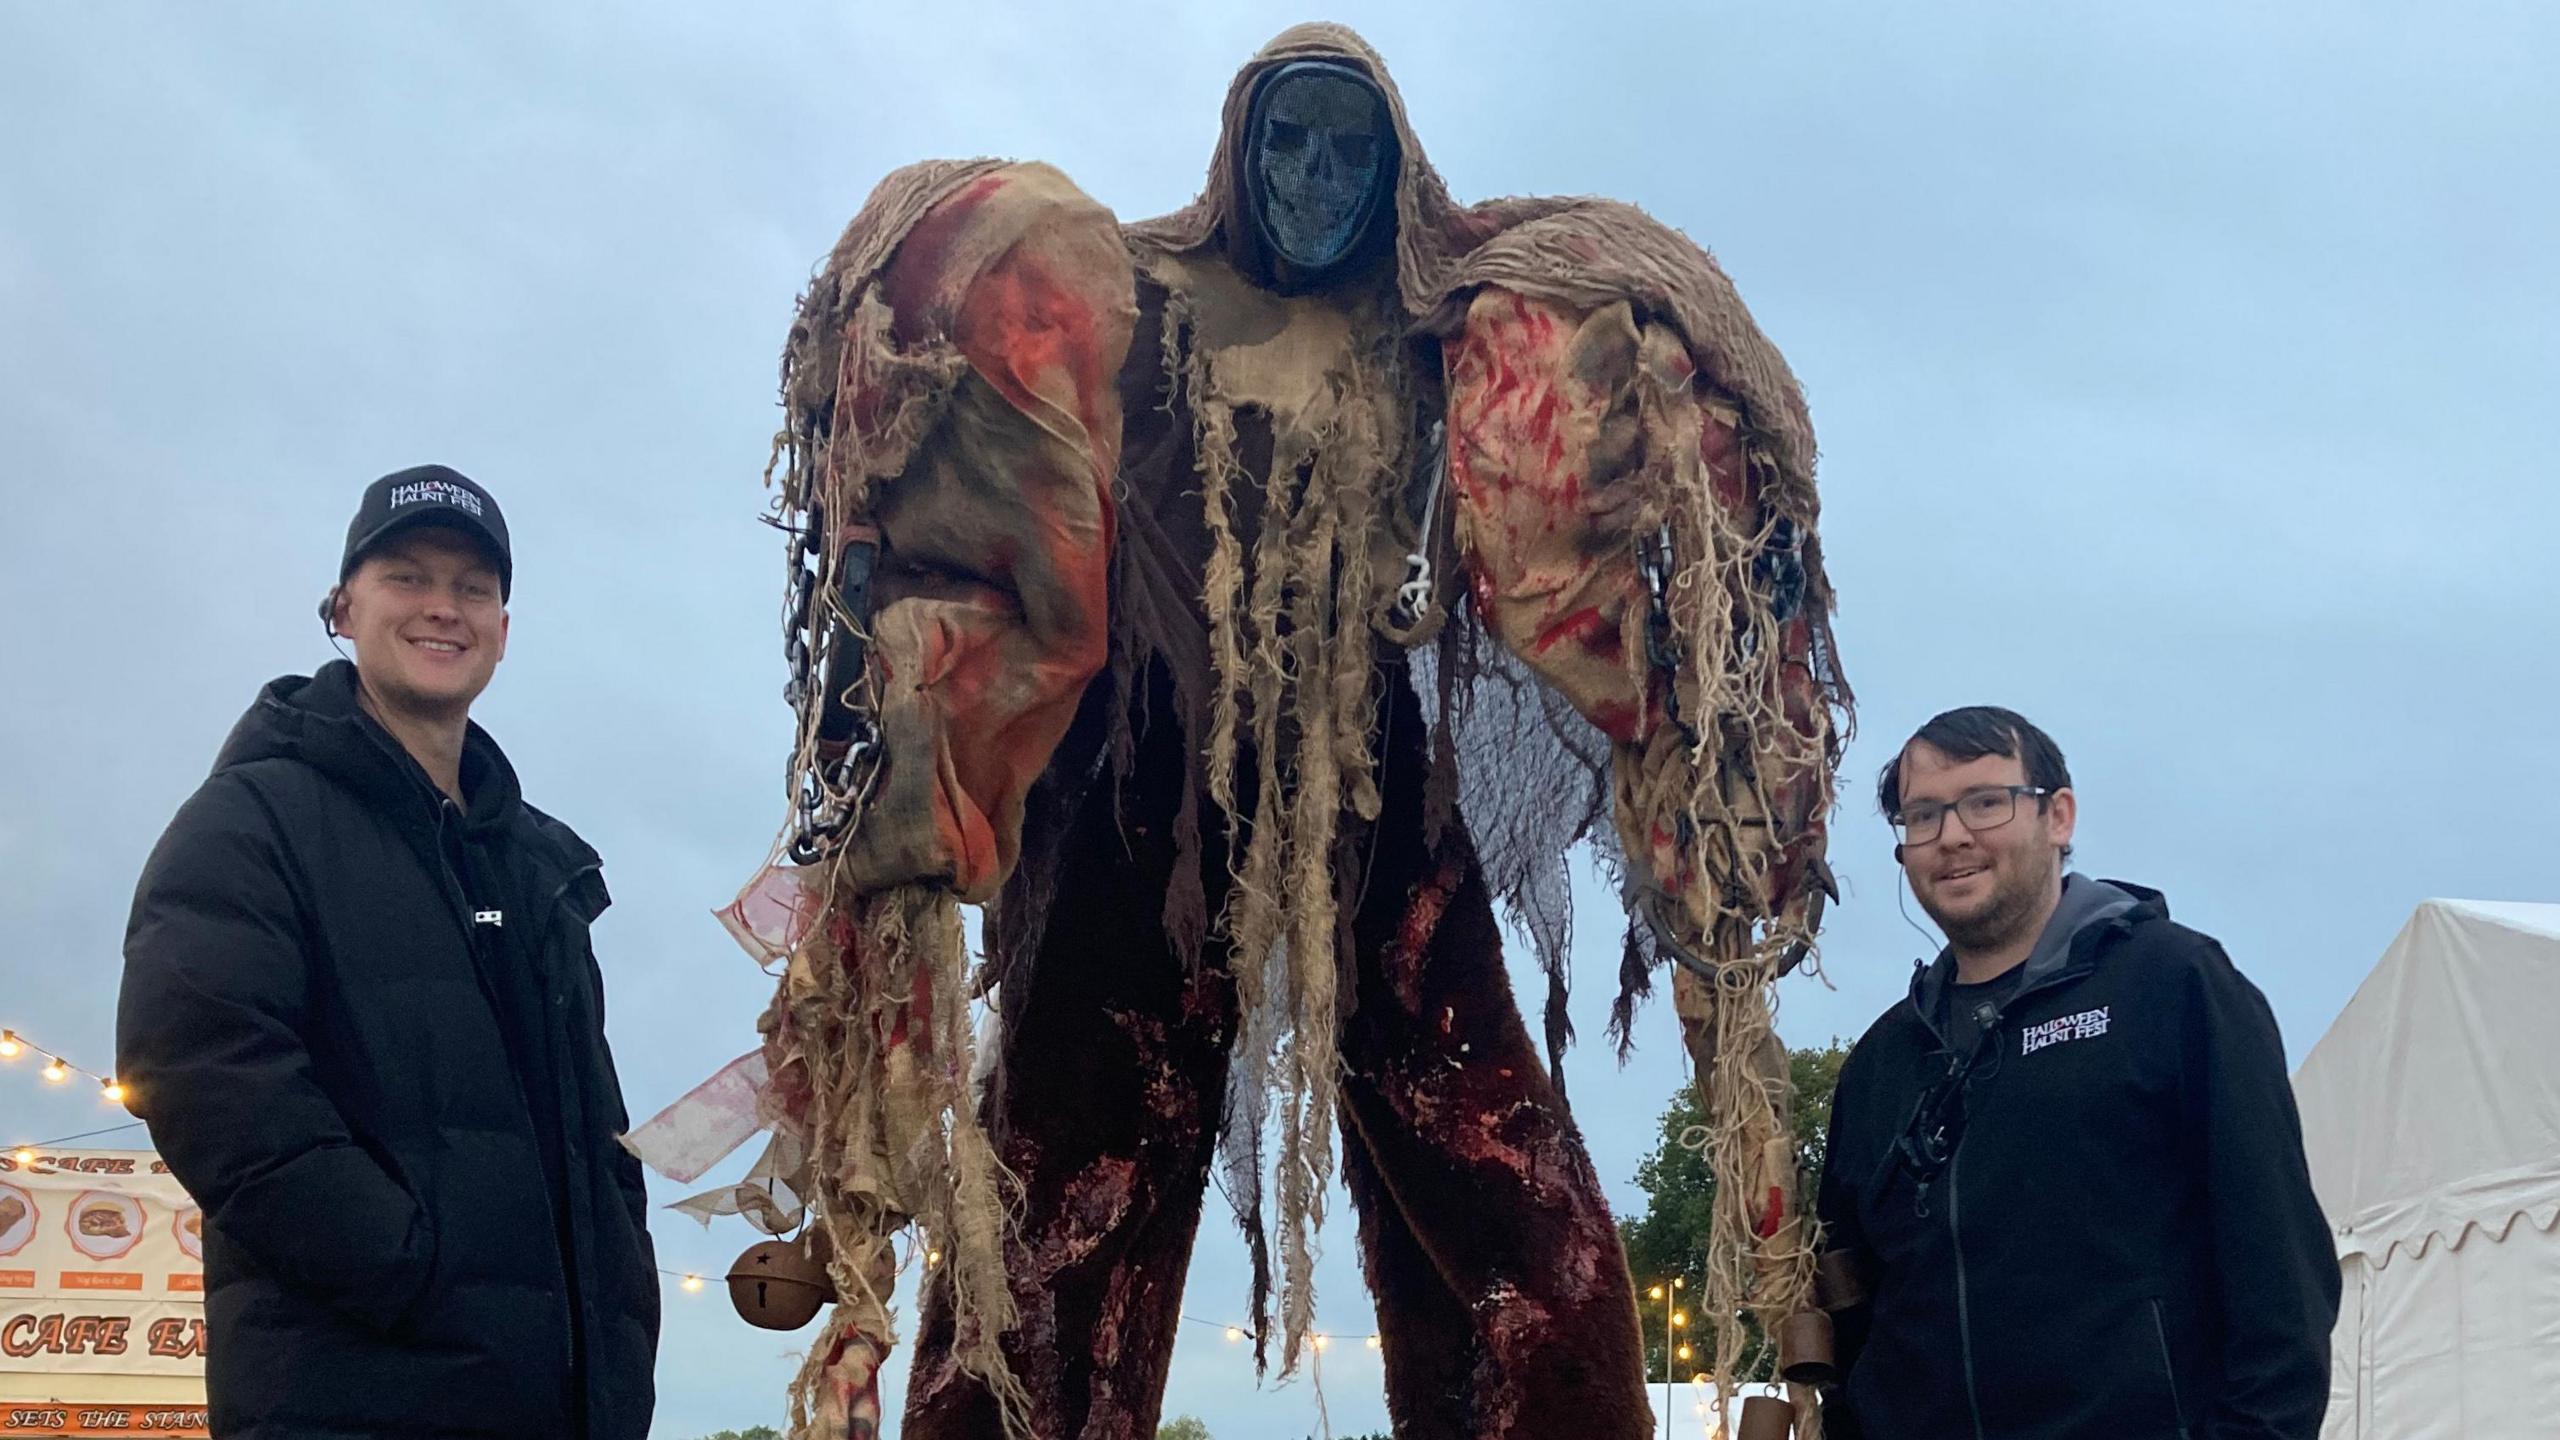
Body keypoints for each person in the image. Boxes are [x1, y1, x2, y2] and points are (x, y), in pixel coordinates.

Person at [117, 465, 658, 1440]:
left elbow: (598, 1138)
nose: (442, 608)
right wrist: (404, 1266)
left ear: (502, 626)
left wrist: (622, 1299)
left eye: (473, 588)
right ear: (344, 605)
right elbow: (203, 1074)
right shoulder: (252, 820)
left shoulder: (542, 870)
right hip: (349, 1399)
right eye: (407, 577)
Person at [1812, 706, 2338, 1438]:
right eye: (1922, 815)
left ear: (2058, 817)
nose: (1953, 836)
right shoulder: (1882, 1066)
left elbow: (2279, 1272)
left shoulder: (2172, 986)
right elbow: (1855, 1315)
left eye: (1986, 802)